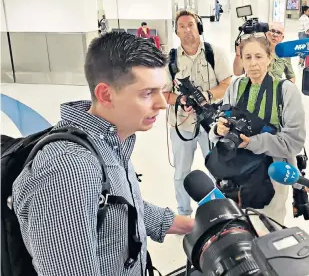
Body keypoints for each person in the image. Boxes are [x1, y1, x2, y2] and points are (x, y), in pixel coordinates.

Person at [12, 32, 194, 275]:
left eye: (162, 90)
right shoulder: (68, 170)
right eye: (147, 93)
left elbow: (121, 208)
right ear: (106, 95)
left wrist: (185, 225)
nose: (162, 103)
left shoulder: (110, 139)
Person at [210, 35, 305, 229]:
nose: (253, 64)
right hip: (237, 170)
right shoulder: (236, 85)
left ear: (270, 58)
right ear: (241, 60)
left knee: (269, 230)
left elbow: (294, 143)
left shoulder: (286, 90)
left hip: (271, 173)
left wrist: (253, 142)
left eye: (259, 57)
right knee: (238, 228)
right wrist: (218, 130)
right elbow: (223, 119)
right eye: (248, 57)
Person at [163, 10, 232, 217]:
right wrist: (182, 100)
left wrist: (206, 95)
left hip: (212, 124)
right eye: (182, 26)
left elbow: (227, 84)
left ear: (199, 27)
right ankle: (184, 214)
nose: (187, 30)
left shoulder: (214, 53)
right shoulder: (170, 61)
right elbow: (164, 94)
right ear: (176, 31)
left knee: (216, 171)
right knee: (181, 173)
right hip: (182, 125)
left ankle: (217, 212)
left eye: (191, 25)